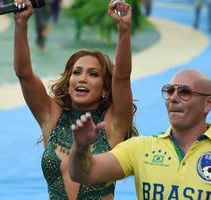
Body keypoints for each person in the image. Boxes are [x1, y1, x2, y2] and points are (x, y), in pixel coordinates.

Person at [13, 0, 137, 199]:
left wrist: (124, 29)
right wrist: (21, 24)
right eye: (77, 72)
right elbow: (24, 74)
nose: (82, 78)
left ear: (105, 88)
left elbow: (122, 78)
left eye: (93, 74)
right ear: (69, 83)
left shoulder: (114, 123)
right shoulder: (52, 116)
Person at [69, 69, 211, 199]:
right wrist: (81, 146)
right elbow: (84, 174)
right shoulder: (140, 148)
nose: (173, 97)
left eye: (185, 92)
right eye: (170, 91)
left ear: (208, 103)